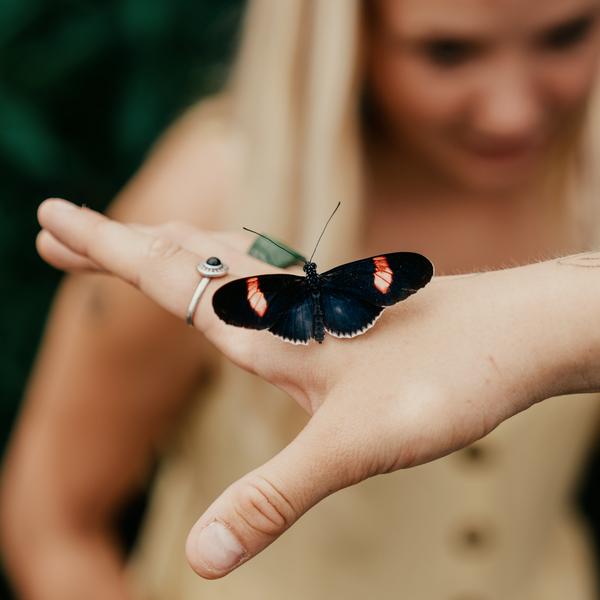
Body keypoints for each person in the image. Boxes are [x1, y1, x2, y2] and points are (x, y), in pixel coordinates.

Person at [3, 0, 600, 599]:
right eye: (447, 51)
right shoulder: (206, 197)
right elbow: (50, 517)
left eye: (566, 34)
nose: (511, 113)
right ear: (347, 35)